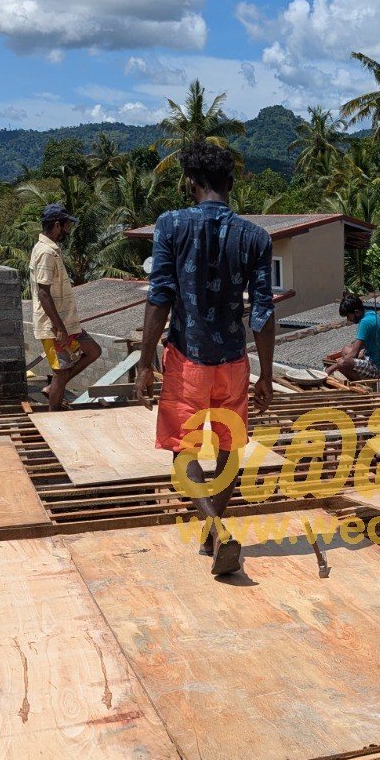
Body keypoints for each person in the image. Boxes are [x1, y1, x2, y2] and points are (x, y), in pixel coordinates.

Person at [137, 139, 275, 575]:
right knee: (230, 447)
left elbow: (160, 296)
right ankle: (214, 533)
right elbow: (263, 310)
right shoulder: (255, 237)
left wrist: (144, 361)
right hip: (233, 361)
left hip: (187, 360)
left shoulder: (171, 225)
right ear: (231, 183)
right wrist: (266, 374)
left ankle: (215, 528)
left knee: (184, 448)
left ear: (191, 183)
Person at [29, 204, 101, 411]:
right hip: (54, 326)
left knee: (93, 351)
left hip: (67, 324)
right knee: (60, 372)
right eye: (67, 225)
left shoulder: (50, 250)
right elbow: (43, 293)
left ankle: (53, 389)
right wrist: (60, 328)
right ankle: (55, 413)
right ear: (57, 225)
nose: (69, 230)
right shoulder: (46, 252)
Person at [325, 293, 380, 381]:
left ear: (356, 312)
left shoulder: (365, 322)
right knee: (345, 350)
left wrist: (330, 369)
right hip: (378, 360)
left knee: (342, 363)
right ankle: (355, 375)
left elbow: (354, 354)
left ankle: (360, 382)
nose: (348, 319)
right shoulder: (371, 314)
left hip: (377, 368)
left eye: (348, 316)